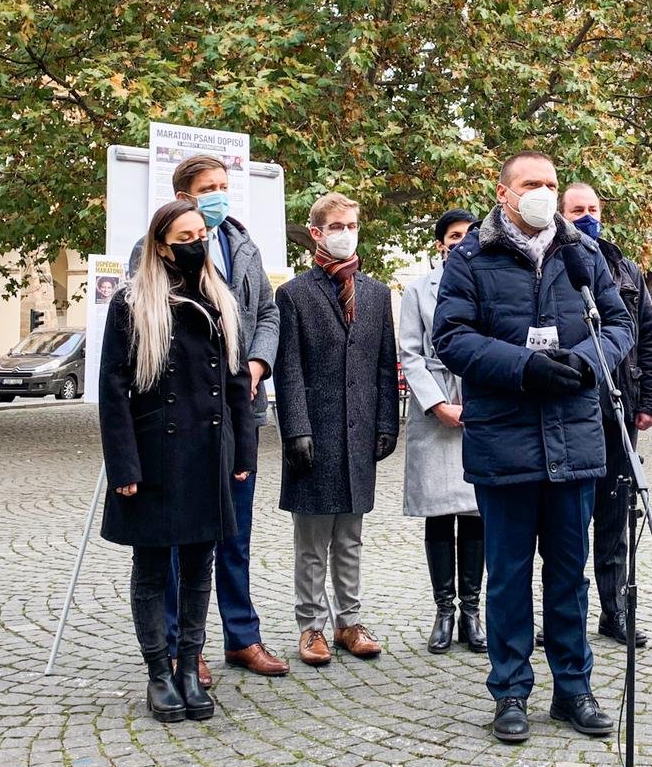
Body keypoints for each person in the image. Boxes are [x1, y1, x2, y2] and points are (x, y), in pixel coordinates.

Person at [433, 151, 633, 745]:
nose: (543, 192)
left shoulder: (584, 254)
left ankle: (574, 690)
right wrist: (524, 368)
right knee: (509, 577)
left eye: (550, 183)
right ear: (505, 193)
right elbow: (452, 338)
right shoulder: (470, 257)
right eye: (531, 184)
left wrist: (583, 364)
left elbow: (620, 325)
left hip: (574, 437)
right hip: (505, 439)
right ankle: (511, 692)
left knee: (570, 575)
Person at [129, 154, 285, 685]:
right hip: (178, 423)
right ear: (183, 196)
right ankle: (180, 648)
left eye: (224, 186)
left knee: (233, 534)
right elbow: (146, 333)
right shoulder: (150, 252)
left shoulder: (243, 245)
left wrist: (259, 362)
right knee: (176, 538)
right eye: (207, 189)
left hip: (238, 413)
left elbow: (267, 313)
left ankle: (242, 637)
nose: (219, 195)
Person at [98, 199, 256, 722]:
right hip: (154, 454)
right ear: (161, 245)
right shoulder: (131, 302)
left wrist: (243, 452)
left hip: (209, 451)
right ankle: (159, 672)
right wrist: (124, 467)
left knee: (198, 568)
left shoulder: (220, 299)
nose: (197, 243)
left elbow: (237, 385)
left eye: (201, 234)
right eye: (184, 236)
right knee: (150, 570)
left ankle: (190, 666)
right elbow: (113, 390)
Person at [273, 192, 399, 666]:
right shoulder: (294, 295)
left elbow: (386, 365)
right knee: (311, 541)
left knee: (350, 537)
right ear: (317, 233)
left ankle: (349, 621)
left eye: (353, 224)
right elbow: (289, 371)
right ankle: (311, 627)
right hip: (315, 434)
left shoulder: (375, 293)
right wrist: (295, 430)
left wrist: (386, 422)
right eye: (338, 225)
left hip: (359, 433)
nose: (347, 232)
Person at [559, 182, 652, 648]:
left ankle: (614, 610)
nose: (586, 216)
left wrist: (650, 400)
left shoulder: (625, 267)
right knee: (564, 519)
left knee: (616, 513)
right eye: (577, 209)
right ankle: (562, 613)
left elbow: (646, 336)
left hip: (619, 405)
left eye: (593, 209)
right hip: (569, 406)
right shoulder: (553, 262)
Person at [398, 208, 487, 654]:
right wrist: (438, 404)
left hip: (479, 404)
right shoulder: (418, 289)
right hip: (433, 408)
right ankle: (444, 609)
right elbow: (410, 354)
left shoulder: (488, 279)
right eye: (453, 235)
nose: (461, 241)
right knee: (438, 511)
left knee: (475, 513)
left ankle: (471, 610)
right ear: (440, 243)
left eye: (469, 234)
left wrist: (477, 402)